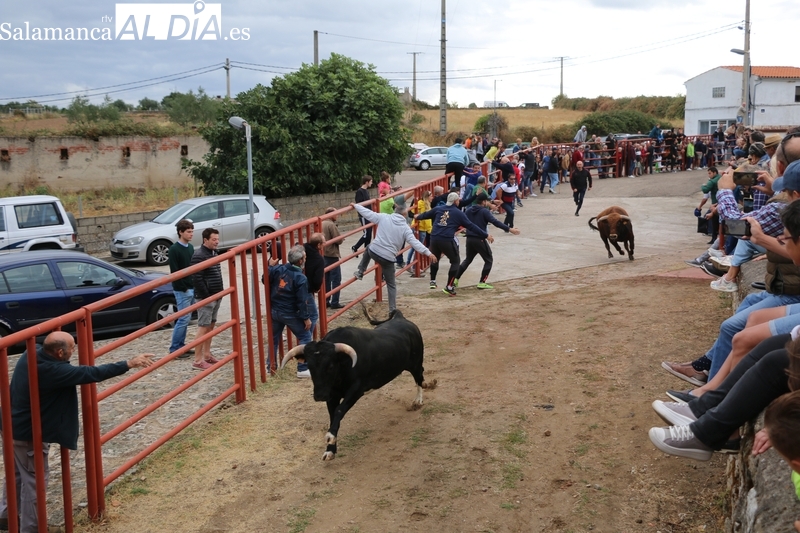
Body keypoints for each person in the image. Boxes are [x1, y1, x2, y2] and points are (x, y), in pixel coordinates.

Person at [0, 332, 152, 533]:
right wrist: (129, 363)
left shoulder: (31, 352)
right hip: (26, 433)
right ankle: (32, 528)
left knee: (17, 474)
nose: (75, 350)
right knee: (34, 482)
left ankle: (5, 518)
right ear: (60, 351)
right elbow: (91, 373)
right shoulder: (53, 370)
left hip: (10, 425)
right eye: (73, 347)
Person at [352, 195, 437, 311]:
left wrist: (356, 206)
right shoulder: (406, 228)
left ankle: (361, 271)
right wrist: (428, 253)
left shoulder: (384, 217)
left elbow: (368, 213)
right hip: (388, 258)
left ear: (394, 211)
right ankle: (392, 310)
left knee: (369, 248)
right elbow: (415, 243)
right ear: (405, 215)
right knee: (391, 285)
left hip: (374, 251)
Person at [415, 192, 488, 296]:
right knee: (455, 261)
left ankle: (433, 281)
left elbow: (425, 215)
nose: (459, 202)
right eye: (458, 200)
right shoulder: (458, 213)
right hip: (446, 239)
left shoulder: (438, 209)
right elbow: (471, 226)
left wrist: (417, 217)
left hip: (434, 238)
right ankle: (449, 287)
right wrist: (485, 235)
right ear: (455, 201)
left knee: (435, 258)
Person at [454, 192, 520, 290]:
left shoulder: (468, 210)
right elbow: (495, 222)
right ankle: (482, 282)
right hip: (479, 239)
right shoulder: (484, 211)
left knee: (468, 260)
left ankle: (455, 279)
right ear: (484, 202)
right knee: (489, 260)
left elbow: (462, 221)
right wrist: (510, 229)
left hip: (469, 239)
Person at [267, 245, 314, 377]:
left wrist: (269, 266)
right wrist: (306, 318)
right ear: (300, 261)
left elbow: (265, 279)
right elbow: (302, 301)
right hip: (290, 312)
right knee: (305, 336)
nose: (306, 259)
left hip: (275, 310)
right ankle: (303, 368)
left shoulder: (278, 269)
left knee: (274, 338)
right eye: (304, 257)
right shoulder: (300, 278)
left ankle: (270, 367)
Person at [190, 228, 224, 371]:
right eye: (214, 239)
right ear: (205, 240)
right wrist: (206, 296)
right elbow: (196, 277)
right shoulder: (199, 255)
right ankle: (198, 360)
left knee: (210, 326)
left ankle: (207, 354)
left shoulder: (213, 253)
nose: (217, 242)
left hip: (216, 295)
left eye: (217, 239)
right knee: (203, 327)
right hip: (207, 297)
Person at [168, 219, 195, 358]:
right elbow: (175, 271)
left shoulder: (190, 248)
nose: (191, 234)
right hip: (182, 290)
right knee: (183, 319)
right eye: (188, 232)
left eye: (192, 231)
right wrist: (184, 287)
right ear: (180, 232)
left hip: (191, 287)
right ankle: (175, 348)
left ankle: (181, 345)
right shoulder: (174, 249)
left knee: (187, 318)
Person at [303, 233, 325, 337]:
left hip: (295, 286)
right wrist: (316, 288)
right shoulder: (318, 259)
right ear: (318, 245)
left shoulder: (302, 250)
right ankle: (306, 337)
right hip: (307, 289)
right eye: (323, 243)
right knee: (314, 315)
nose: (324, 245)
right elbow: (317, 279)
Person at [322, 208, 344, 310]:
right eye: (336, 214)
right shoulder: (331, 225)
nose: (337, 216)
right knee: (336, 279)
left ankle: (326, 300)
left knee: (326, 279)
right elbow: (338, 240)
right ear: (331, 214)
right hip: (332, 254)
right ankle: (335, 301)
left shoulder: (321, 223)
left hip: (323, 254)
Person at [352, 175, 374, 253]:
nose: (372, 183)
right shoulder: (360, 191)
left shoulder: (366, 191)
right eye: (371, 181)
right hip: (363, 216)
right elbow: (359, 203)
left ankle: (366, 250)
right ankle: (355, 247)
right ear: (366, 182)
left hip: (369, 215)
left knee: (369, 234)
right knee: (366, 234)